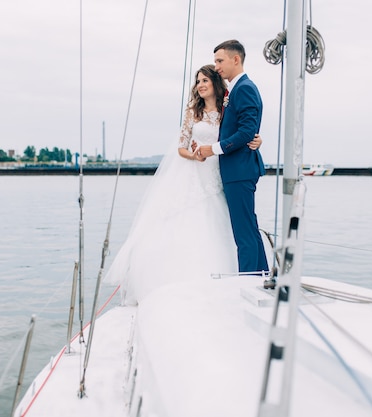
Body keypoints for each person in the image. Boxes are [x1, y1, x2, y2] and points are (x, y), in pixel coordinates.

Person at [105, 64, 263, 304]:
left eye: (205, 81)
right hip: (196, 171)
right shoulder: (193, 112)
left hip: (220, 173)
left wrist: (256, 139)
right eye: (197, 81)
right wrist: (194, 155)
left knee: (227, 224)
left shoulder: (226, 109)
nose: (200, 85)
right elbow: (182, 146)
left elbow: (239, 132)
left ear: (215, 84)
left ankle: (242, 278)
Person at [197, 40, 268, 274]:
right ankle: (261, 276)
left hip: (239, 170)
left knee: (243, 233)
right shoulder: (234, 90)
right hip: (237, 169)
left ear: (235, 59)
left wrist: (213, 149)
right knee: (248, 228)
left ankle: (247, 280)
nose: (216, 66)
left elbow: (247, 131)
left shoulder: (244, 88)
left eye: (220, 61)